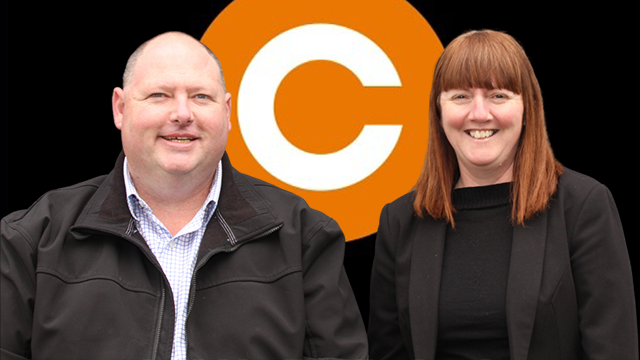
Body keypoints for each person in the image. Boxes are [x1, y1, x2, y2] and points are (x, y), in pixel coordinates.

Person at [1, 31, 368, 360]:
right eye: (159, 95)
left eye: (200, 97)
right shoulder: (32, 239)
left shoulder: (303, 236)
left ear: (226, 112)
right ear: (121, 108)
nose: (181, 114)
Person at [367, 29, 638, 360]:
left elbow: (613, 350)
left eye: (498, 95)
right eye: (461, 96)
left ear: (527, 108)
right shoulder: (399, 222)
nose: (479, 113)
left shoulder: (583, 206)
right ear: (438, 112)